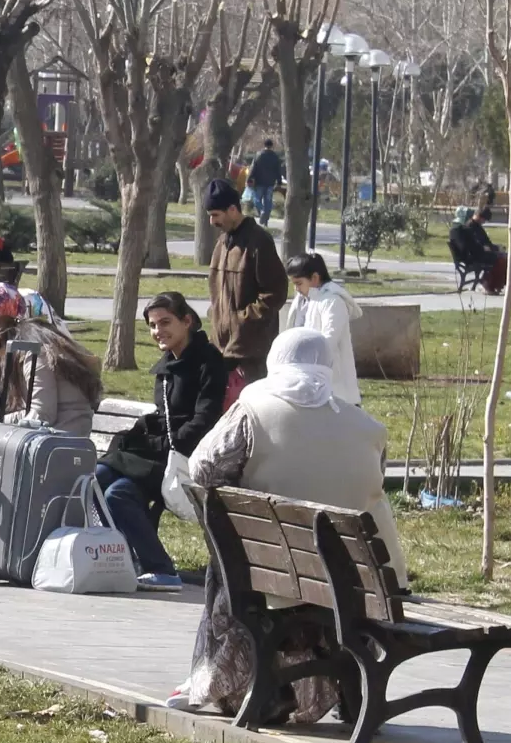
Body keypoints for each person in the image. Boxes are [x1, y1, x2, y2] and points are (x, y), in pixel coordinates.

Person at [166, 328, 407, 719]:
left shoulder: (254, 409)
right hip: (358, 585)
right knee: (300, 574)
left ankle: (232, 682)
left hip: (272, 577)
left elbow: (203, 469)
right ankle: (331, 690)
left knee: (227, 563)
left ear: (275, 362)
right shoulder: (367, 426)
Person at [96, 292, 228, 592]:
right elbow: (163, 414)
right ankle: (118, 558)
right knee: (100, 479)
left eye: (165, 322)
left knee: (118, 493)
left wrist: (166, 444)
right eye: (153, 325)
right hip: (161, 453)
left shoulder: (208, 361)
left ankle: (160, 569)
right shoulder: (167, 363)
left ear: (187, 321)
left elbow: (204, 419)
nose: (158, 331)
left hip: (188, 457)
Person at [0, 314, 102, 543]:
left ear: (3, 345)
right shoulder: (45, 349)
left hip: (54, 454)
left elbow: (41, 415)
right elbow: (22, 407)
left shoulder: (34, 354)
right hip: (57, 448)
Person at [206, 178, 288, 383]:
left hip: (251, 354)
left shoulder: (259, 242)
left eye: (215, 215)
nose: (212, 222)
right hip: (221, 350)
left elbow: (275, 293)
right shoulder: (222, 243)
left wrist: (242, 321)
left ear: (233, 210)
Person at [284, 252, 362, 406]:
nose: (296, 289)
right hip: (308, 379)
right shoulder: (303, 300)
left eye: (299, 283)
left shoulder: (333, 301)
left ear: (314, 278)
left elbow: (328, 341)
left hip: (336, 385)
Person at [466, 206, 511, 295]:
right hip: (485, 256)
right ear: (479, 216)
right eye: (484, 219)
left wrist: (497, 247)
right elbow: (480, 246)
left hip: (490, 253)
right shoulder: (471, 228)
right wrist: (495, 249)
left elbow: (487, 244)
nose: (484, 222)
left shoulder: (476, 227)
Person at [247, 139, 281, 226]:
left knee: (256, 199)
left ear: (264, 145)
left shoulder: (259, 155)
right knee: (268, 201)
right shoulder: (275, 157)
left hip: (259, 182)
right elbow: (278, 170)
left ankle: (262, 211)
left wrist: (250, 178)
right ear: (272, 146)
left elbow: (253, 167)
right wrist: (279, 181)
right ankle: (266, 221)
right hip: (270, 183)